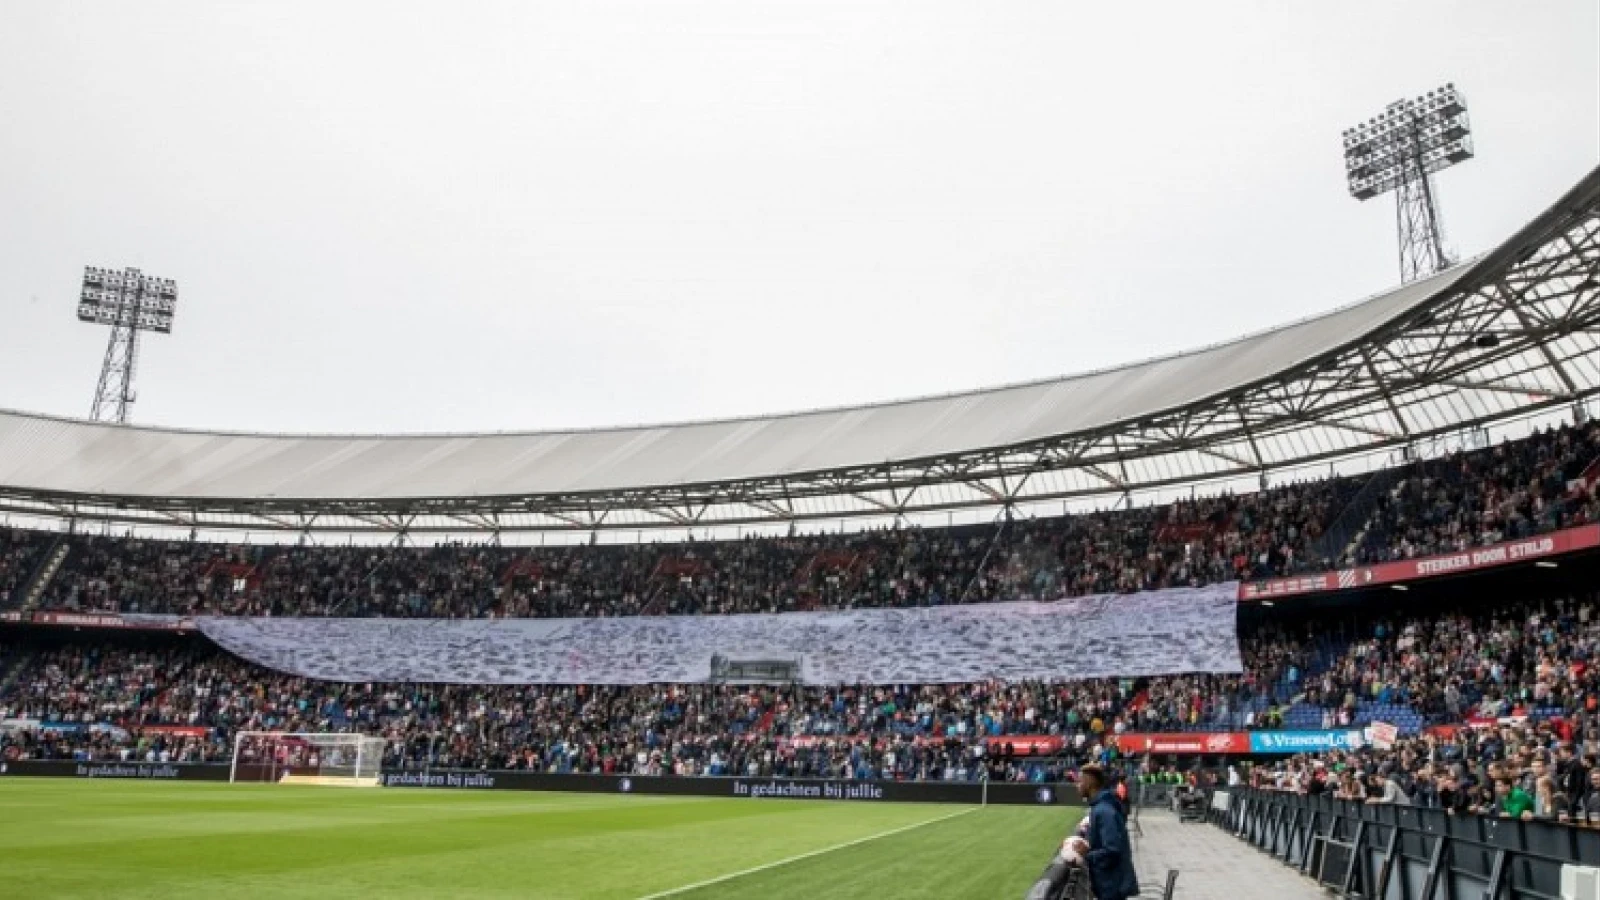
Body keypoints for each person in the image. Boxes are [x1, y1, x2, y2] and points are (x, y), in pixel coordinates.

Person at [1079, 764, 1139, 900]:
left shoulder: (1104, 810)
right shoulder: (1101, 807)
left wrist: (1086, 853)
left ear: (1090, 782)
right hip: (1109, 885)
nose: (1078, 785)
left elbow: (1112, 850)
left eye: (1080, 781)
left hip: (1111, 886)